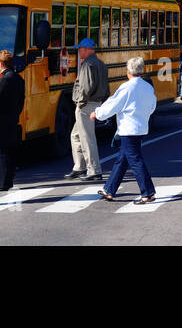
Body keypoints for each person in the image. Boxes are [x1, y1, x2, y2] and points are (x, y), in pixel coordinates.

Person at [92, 56, 158, 204]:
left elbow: (113, 104)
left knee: (135, 160)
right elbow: (152, 106)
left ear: (128, 71)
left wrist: (97, 113)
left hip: (128, 129)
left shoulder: (126, 87)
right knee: (122, 159)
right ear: (142, 70)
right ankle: (109, 189)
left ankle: (148, 193)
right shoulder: (148, 87)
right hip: (141, 128)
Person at [65, 37, 109, 181]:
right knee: (76, 135)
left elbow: (86, 87)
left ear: (87, 50)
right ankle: (79, 167)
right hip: (96, 102)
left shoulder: (87, 64)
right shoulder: (101, 64)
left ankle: (94, 170)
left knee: (87, 138)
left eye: (80, 49)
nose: (78, 52)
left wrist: (79, 102)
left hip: (85, 104)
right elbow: (106, 87)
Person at [0, 49, 25, 191]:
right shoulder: (18, 79)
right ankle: (8, 176)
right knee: (5, 149)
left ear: (0, 63)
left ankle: (3, 182)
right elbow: (22, 100)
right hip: (12, 118)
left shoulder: (3, 80)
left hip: (0, 119)